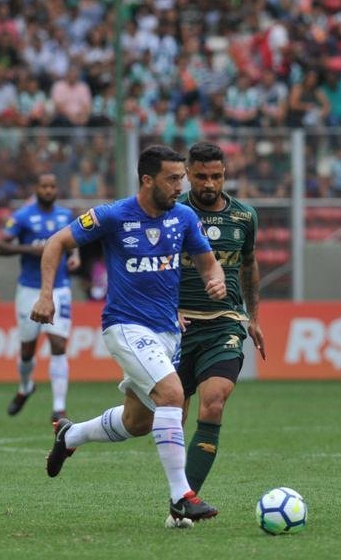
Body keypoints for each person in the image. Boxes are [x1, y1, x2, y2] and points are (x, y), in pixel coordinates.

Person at [31, 145, 227, 525]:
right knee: (172, 395)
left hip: (168, 332)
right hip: (124, 326)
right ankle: (181, 497)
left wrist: (215, 281)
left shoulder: (184, 218)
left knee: (140, 422)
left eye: (180, 179)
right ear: (147, 180)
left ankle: (69, 437)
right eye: (173, 179)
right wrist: (45, 296)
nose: (179, 187)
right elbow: (57, 243)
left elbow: (209, 266)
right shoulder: (114, 215)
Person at [164, 142, 264, 528]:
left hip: (224, 323)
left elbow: (249, 264)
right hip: (177, 326)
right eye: (202, 176)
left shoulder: (244, 216)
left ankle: (183, 504)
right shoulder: (173, 214)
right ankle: (179, 493)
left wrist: (252, 318)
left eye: (217, 176)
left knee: (215, 402)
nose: (210, 183)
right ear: (188, 174)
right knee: (169, 415)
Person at [0, 173, 78, 423]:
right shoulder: (22, 216)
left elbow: (74, 242)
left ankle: (59, 407)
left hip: (60, 288)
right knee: (28, 350)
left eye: (53, 186)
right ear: (37, 189)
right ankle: (25, 386)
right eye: (44, 186)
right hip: (30, 289)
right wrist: (30, 249)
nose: (49, 190)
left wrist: (76, 256)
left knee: (59, 345)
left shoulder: (65, 216)